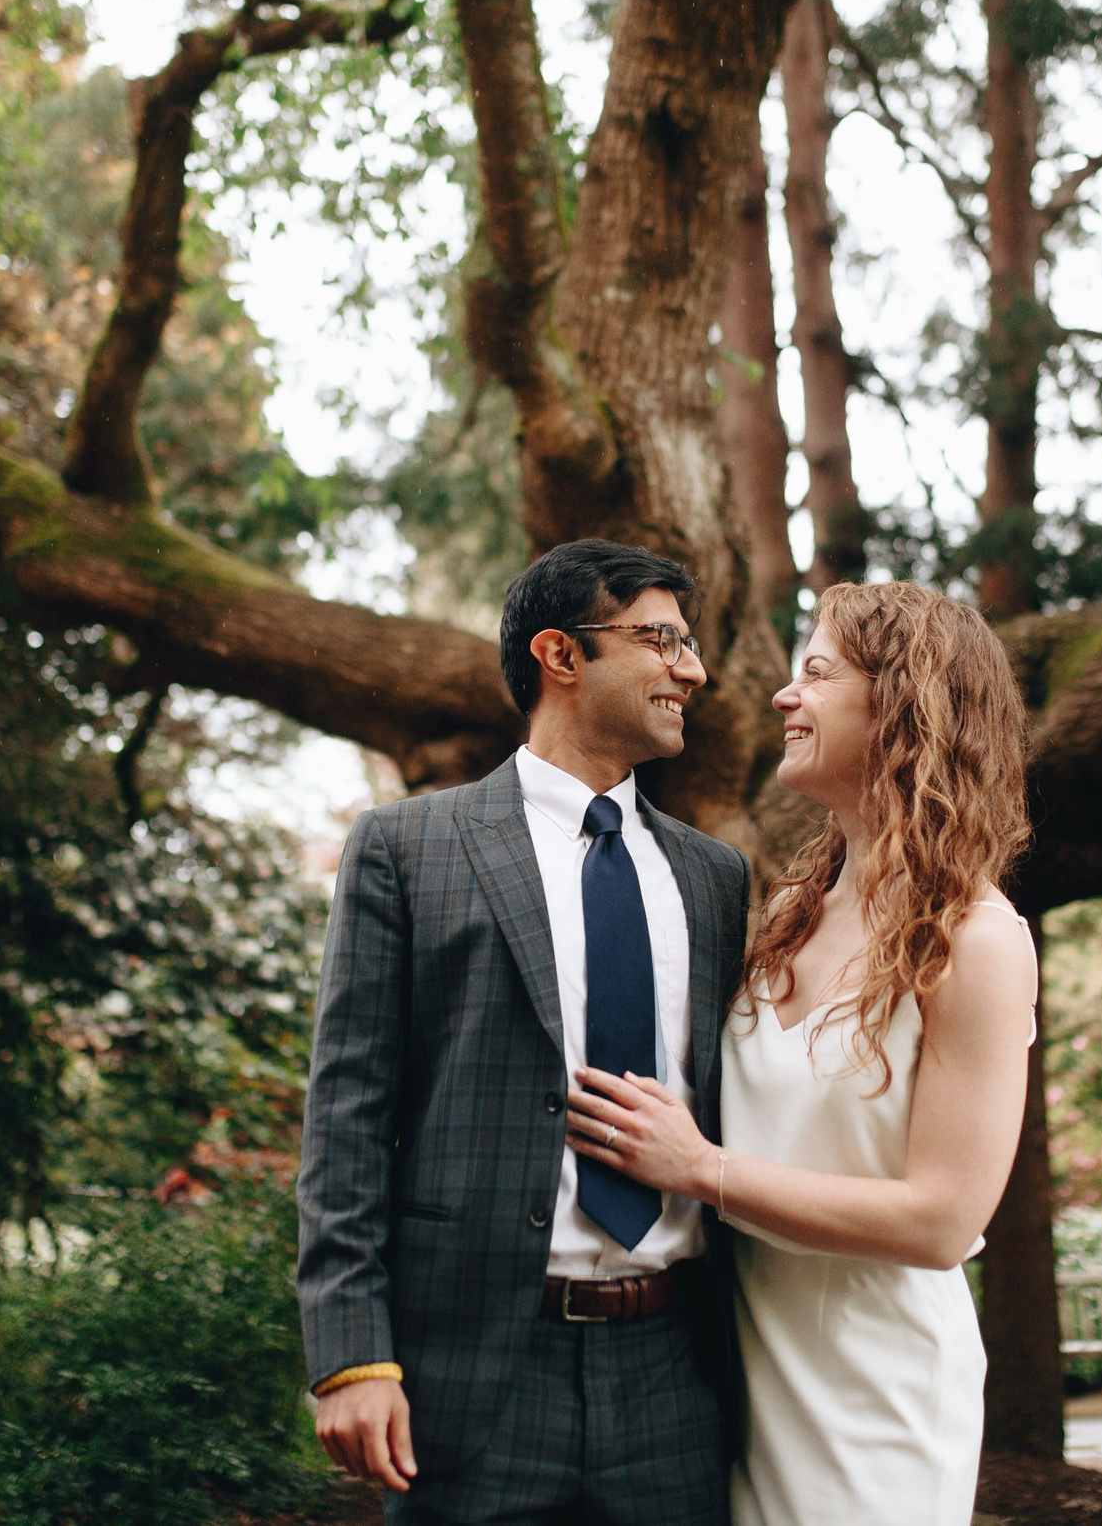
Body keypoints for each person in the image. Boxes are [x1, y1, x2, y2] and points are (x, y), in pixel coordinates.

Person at [297, 539, 752, 1526]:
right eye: (662, 641)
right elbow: (347, 1117)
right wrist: (349, 1354)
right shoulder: (405, 848)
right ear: (561, 654)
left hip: (678, 1370)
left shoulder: (717, 879)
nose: (694, 670)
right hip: (472, 1374)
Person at [564, 580, 1037, 1526]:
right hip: (729, 1386)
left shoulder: (977, 940)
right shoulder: (786, 914)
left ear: (905, 704)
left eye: (815, 673)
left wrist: (702, 1168)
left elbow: (943, 1220)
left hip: (875, 1404)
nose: (785, 695)